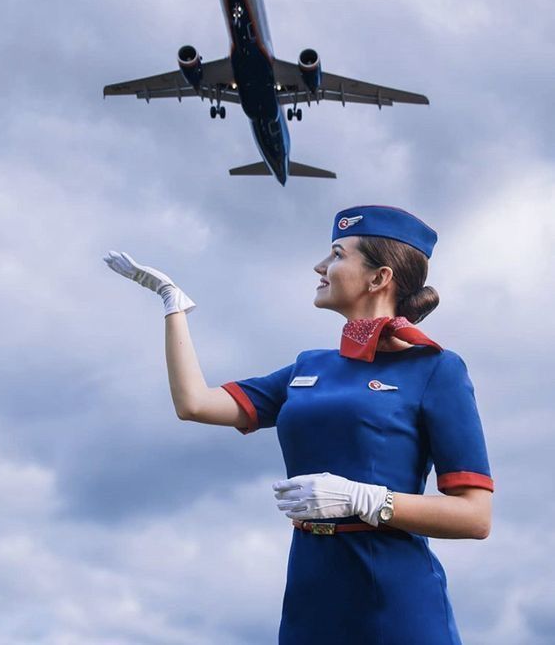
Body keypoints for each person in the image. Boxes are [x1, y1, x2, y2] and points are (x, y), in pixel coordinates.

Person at [104, 204, 494, 645]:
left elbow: (475, 517)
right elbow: (194, 404)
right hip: (311, 593)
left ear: (379, 278)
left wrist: (361, 497)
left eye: (337, 255)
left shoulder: (436, 369)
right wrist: (171, 303)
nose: (320, 266)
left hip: (395, 596)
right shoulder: (309, 367)